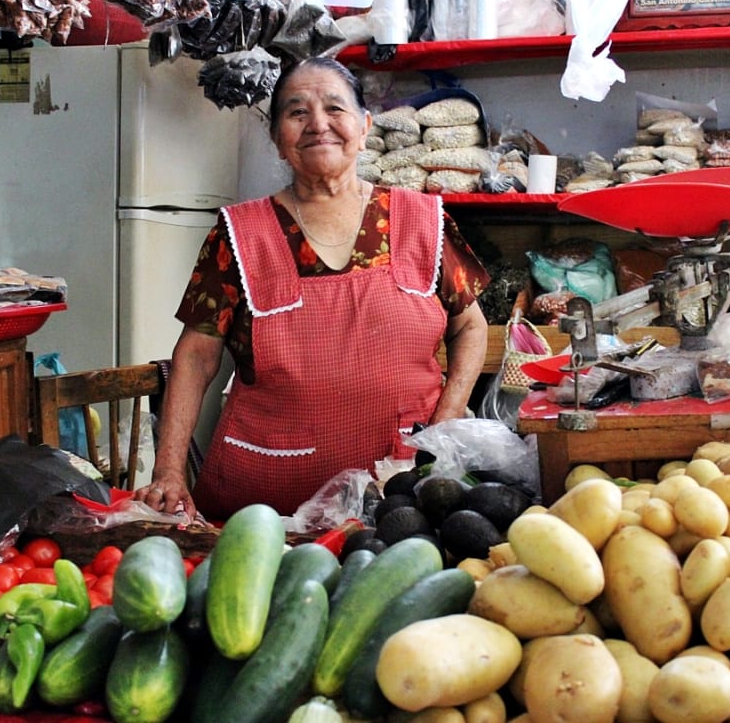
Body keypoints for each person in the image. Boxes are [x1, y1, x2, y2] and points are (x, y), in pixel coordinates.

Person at [134, 56, 491, 521]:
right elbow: (197, 355)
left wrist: (444, 426)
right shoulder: (240, 234)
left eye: (334, 109)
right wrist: (168, 471)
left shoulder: (422, 219)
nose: (318, 124)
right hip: (263, 507)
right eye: (297, 112)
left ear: (364, 127)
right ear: (278, 139)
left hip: (399, 495)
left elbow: (470, 328)